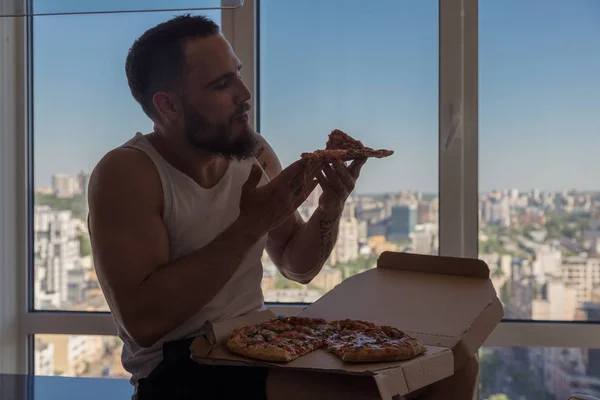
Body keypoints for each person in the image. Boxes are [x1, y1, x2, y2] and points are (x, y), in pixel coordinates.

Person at [87, 14, 479, 400]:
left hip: (258, 340)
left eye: (237, 74)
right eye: (222, 84)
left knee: (456, 367)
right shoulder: (128, 173)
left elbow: (297, 266)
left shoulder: (252, 152)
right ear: (168, 105)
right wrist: (249, 226)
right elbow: (145, 322)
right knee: (365, 393)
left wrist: (329, 208)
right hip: (178, 367)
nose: (244, 93)